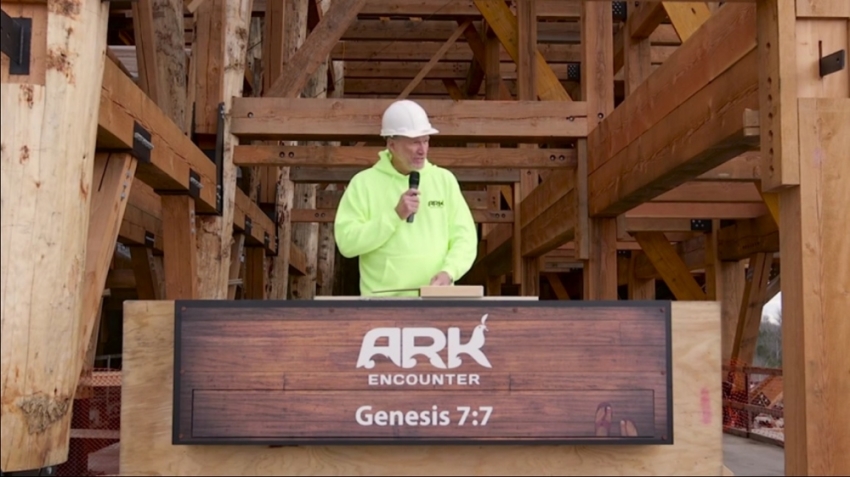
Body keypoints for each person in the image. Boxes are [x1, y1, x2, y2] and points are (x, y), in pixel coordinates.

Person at [333, 100, 478, 296]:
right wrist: (394, 216)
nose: (422, 150)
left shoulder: (444, 180)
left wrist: (449, 272)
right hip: (382, 304)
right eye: (414, 142)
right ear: (391, 144)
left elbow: (465, 238)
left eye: (425, 140)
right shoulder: (363, 183)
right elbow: (347, 243)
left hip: (435, 301)